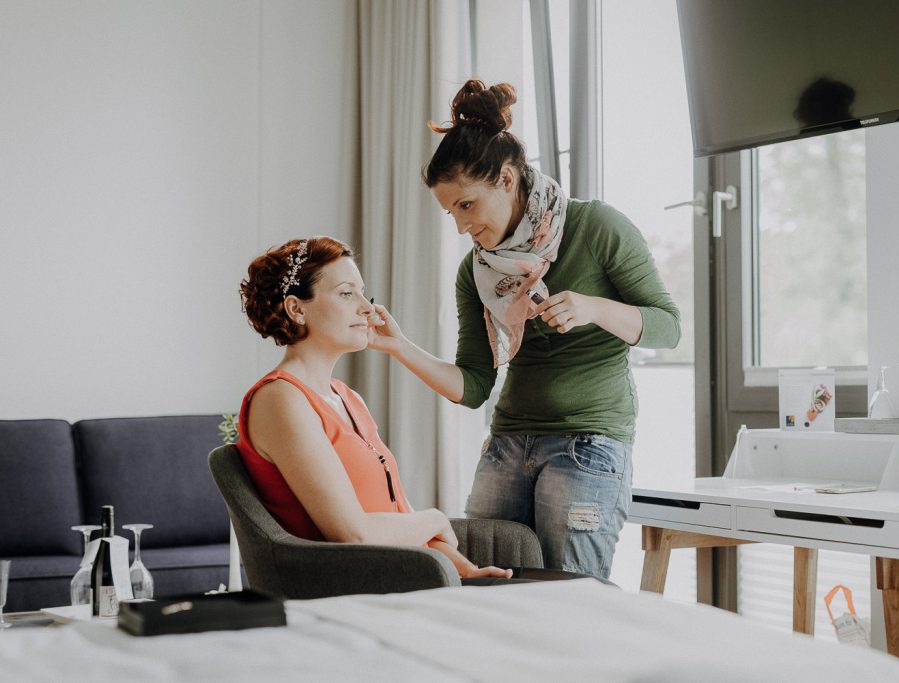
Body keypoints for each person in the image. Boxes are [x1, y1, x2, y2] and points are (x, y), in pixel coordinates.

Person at [367, 80, 682, 579]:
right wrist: (399, 347)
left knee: (570, 595)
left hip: (588, 444)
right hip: (508, 445)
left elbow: (669, 328)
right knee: (484, 587)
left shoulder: (595, 228)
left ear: (508, 180)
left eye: (466, 205)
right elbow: (473, 386)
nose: (460, 227)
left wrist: (593, 308)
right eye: (450, 213)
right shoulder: (477, 271)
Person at [235, 236, 511, 581]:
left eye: (363, 293)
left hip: (401, 574)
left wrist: (466, 572)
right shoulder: (281, 399)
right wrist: (437, 518)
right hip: (346, 587)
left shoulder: (349, 399)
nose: (367, 308)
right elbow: (353, 533)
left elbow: (399, 516)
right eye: (347, 293)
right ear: (296, 308)